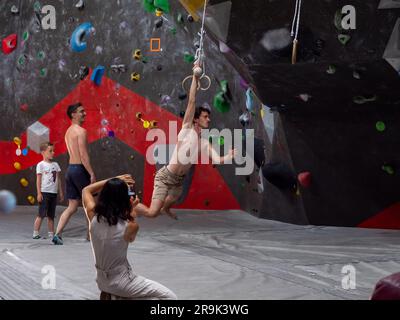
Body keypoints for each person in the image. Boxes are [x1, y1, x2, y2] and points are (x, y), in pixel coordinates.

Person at [133, 64, 236, 220]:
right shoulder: (187, 128)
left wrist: (229, 155)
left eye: (208, 117)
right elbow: (192, 100)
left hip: (179, 182)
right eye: (205, 117)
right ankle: (130, 205)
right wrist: (195, 77)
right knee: (152, 213)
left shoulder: (204, 143)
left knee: (171, 201)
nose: (208, 119)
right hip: (166, 176)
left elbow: (217, 160)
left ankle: (167, 209)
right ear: (196, 119)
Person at [82, 174, 177, 300]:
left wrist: (112, 180)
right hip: (122, 282)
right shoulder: (130, 226)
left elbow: (86, 190)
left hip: (101, 280)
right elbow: (129, 235)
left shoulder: (92, 216)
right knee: (170, 297)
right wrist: (131, 213)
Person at [52, 103, 96, 245]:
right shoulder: (81, 132)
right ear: (73, 114)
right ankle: (92, 236)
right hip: (79, 170)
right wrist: (91, 173)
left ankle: (57, 234)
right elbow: (83, 155)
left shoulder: (68, 131)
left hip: (70, 170)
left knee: (72, 206)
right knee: (90, 204)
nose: (85, 114)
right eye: (81, 111)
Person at [33, 142, 64, 239]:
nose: (53, 153)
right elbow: (38, 180)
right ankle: (35, 233)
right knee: (41, 214)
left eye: (53, 151)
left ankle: (51, 233)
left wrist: (61, 191)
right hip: (44, 193)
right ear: (43, 152)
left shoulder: (56, 164)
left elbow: (58, 179)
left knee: (51, 215)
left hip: (53, 193)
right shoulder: (40, 165)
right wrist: (39, 193)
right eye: (50, 151)